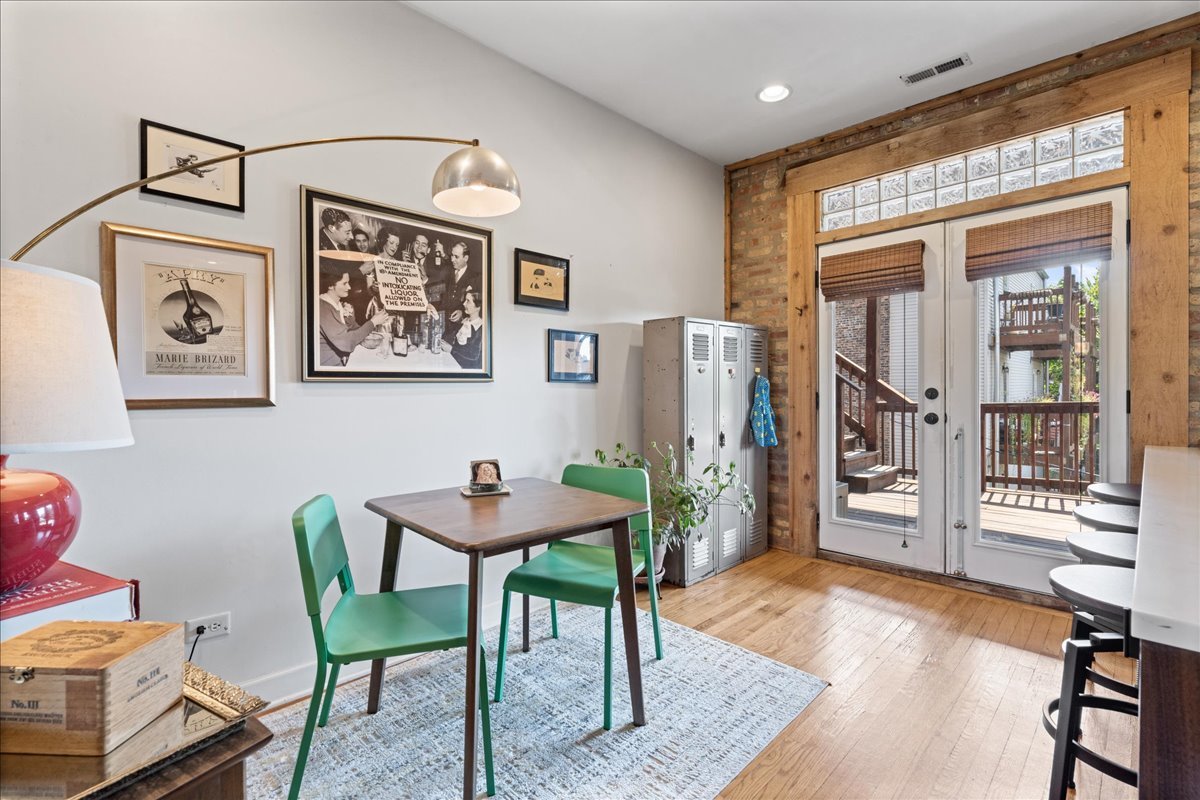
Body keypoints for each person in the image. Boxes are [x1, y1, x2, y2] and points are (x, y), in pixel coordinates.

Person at [317, 258, 390, 366]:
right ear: (330, 285)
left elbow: (354, 330)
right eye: (344, 283)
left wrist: (355, 323)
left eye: (349, 283)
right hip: (330, 365)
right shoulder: (322, 308)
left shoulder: (340, 304)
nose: (349, 287)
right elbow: (345, 342)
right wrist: (373, 322)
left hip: (343, 360)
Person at [441, 241, 480, 346]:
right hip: (444, 327)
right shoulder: (447, 273)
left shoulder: (475, 277)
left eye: (456, 257)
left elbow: (477, 304)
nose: (452, 259)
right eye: (452, 256)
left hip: (462, 332)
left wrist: (462, 312)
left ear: (465, 258)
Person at [451, 290, 484, 369]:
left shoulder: (480, 327)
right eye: (465, 300)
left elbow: (474, 357)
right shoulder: (464, 321)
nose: (464, 303)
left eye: (468, 301)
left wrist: (451, 349)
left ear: (478, 307)